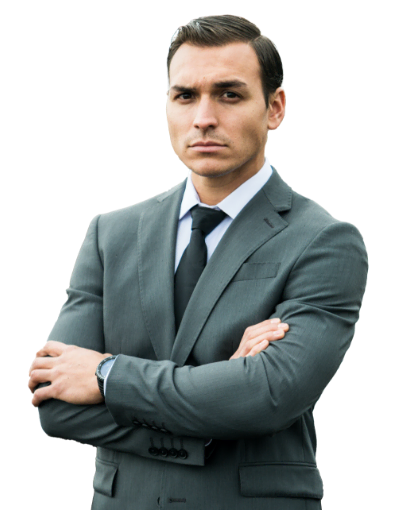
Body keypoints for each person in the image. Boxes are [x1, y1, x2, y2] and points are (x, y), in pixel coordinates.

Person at [27, 14, 368, 509]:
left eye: (229, 94)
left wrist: (106, 376)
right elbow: (54, 404)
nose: (203, 117)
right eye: (185, 96)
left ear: (275, 108)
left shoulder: (325, 242)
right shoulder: (110, 234)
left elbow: (266, 397)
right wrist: (220, 393)